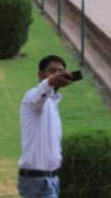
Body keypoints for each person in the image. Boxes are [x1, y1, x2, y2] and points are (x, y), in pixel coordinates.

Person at [17, 55, 74, 198]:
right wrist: (50, 82)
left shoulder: (53, 102)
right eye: (52, 71)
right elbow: (39, 94)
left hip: (52, 179)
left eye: (60, 71)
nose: (57, 74)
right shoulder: (32, 97)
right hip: (36, 182)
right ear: (40, 74)